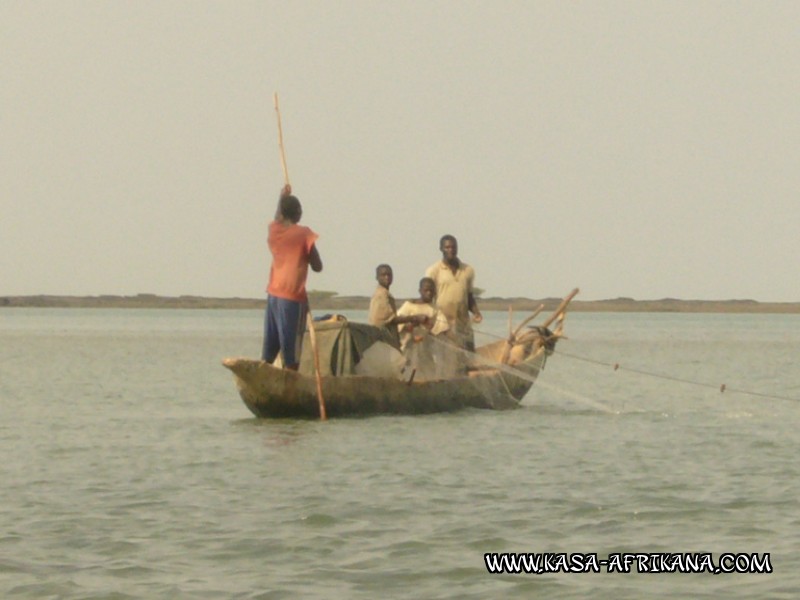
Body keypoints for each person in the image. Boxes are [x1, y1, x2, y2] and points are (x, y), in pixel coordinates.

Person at [261, 185, 323, 370]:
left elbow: (277, 218)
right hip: (292, 299)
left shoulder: (274, 231)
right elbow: (318, 266)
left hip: (273, 296)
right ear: (296, 212)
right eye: (300, 210)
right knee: (291, 355)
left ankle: (265, 374)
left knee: (269, 353)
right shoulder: (304, 234)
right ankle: (290, 385)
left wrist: (281, 198)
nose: (302, 213)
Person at [425, 234, 483, 352]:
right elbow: (427, 298)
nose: (451, 250)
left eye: (453, 247)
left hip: (463, 322)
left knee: (469, 354)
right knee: (445, 357)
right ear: (441, 249)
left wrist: (476, 312)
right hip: (443, 323)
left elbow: (469, 295)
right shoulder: (433, 271)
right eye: (447, 247)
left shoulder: (468, 270)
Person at [396, 277, 450, 380]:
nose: (428, 293)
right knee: (404, 368)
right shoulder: (409, 306)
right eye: (426, 290)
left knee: (428, 370)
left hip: (425, 348)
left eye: (431, 291)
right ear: (420, 291)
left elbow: (443, 327)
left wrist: (430, 324)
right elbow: (398, 323)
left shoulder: (435, 309)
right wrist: (413, 323)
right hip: (408, 346)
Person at [368, 264, 428, 346]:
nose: (387, 277)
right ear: (377, 277)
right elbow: (391, 319)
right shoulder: (381, 295)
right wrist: (415, 318)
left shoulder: (386, 294)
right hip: (382, 340)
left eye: (389, 275)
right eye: (383, 275)